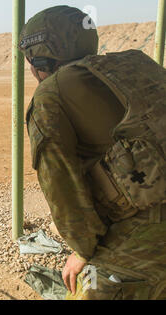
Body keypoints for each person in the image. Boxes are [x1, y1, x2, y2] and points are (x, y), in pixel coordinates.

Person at [19, 5, 166, 299]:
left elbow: (62, 188)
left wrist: (83, 251)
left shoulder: (50, 95)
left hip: (144, 238)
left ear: (37, 58)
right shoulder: (138, 64)